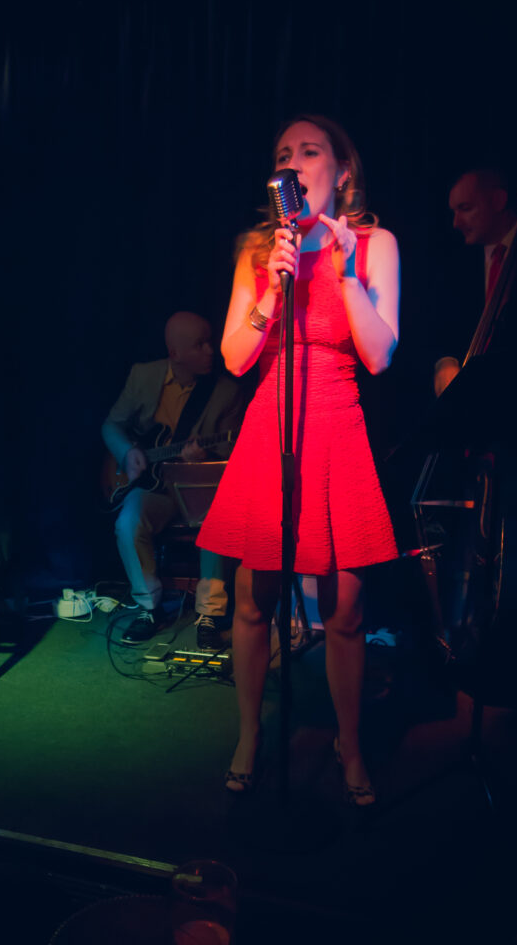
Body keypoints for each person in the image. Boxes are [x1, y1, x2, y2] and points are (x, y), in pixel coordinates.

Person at [196, 115, 400, 804]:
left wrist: (344, 273)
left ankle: (350, 743)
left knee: (345, 608)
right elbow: (233, 358)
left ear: (342, 171)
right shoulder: (259, 250)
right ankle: (251, 734)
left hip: (338, 424)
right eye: (284, 153)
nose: (294, 162)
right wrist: (272, 292)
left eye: (310, 151)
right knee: (254, 598)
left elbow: (380, 355)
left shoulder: (374, 244)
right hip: (272, 424)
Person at [102, 311, 247, 649]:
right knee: (128, 522)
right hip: (156, 488)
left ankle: (209, 614)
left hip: (198, 487)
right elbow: (111, 425)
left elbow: (235, 450)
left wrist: (204, 458)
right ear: (175, 353)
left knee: (217, 518)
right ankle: (148, 607)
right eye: (200, 344)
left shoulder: (227, 392)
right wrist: (127, 452)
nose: (211, 350)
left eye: (210, 341)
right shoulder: (143, 376)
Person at [437, 167, 517, 395]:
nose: (456, 223)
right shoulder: (460, 262)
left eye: (465, 208)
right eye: (454, 211)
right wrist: (446, 363)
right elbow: (448, 327)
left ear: (498, 201)